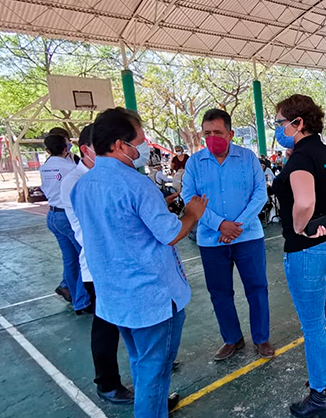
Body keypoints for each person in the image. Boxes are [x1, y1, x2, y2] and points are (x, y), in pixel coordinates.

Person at [71, 107, 208, 417]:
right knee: (154, 374)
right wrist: (192, 213)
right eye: (141, 140)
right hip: (152, 299)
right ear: (120, 144)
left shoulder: (84, 185)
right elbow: (170, 233)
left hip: (115, 297)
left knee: (140, 362)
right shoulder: (136, 185)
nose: (144, 147)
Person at [270, 95, 326, 418]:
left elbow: (305, 202)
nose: (279, 129)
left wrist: (299, 229)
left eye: (281, 123)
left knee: (312, 326)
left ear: (298, 124)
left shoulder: (301, 159)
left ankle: (319, 396)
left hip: (309, 250)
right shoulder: (325, 153)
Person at [182, 109, 275, 361]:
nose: (212, 137)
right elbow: (189, 198)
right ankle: (232, 339)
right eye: (207, 133)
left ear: (231, 133)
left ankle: (261, 338)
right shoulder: (194, 163)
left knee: (257, 288)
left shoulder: (248, 158)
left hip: (248, 236)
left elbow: (260, 194)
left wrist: (237, 225)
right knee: (220, 292)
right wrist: (220, 224)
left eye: (218, 132)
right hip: (212, 240)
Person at [60, 124, 133, 404]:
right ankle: (108, 383)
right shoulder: (78, 181)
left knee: (128, 319)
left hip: (120, 263)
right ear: (87, 150)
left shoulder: (102, 178)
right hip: (99, 265)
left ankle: (145, 363)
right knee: (106, 326)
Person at [39, 134, 91, 313]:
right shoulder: (71, 168)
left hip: (53, 215)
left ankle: (75, 297)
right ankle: (82, 300)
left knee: (70, 259)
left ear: (47, 150)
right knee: (85, 258)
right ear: (66, 148)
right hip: (67, 216)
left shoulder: (44, 167)